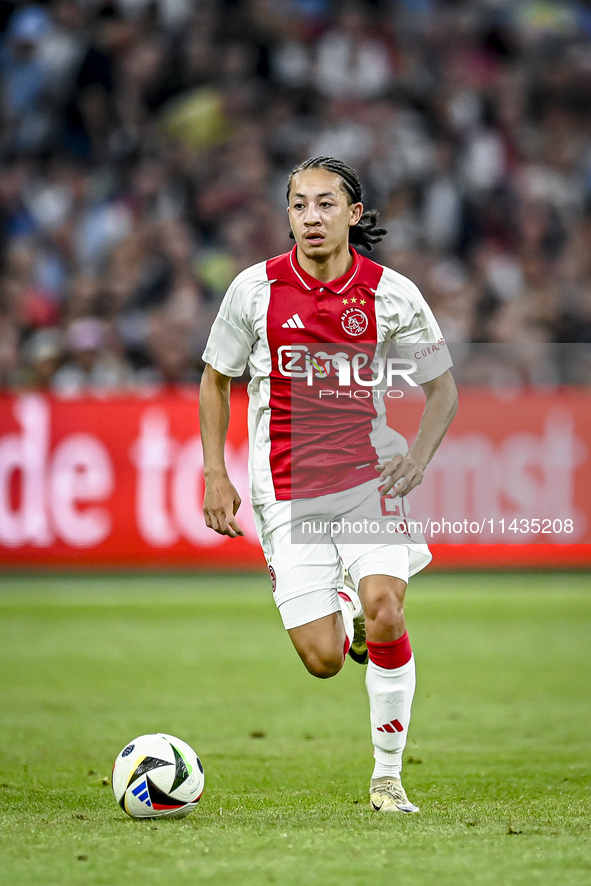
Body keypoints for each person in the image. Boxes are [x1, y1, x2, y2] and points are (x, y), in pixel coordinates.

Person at [200, 156, 457, 812]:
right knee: (322, 658)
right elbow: (215, 380)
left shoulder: (390, 293)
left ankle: (387, 778)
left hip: (368, 480)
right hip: (285, 493)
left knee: (387, 607)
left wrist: (418, 460)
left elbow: (441, 388)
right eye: (298, 206)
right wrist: (215, 474)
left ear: (353, 214)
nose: (310, 217)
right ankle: (346, 613)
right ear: (287, 217)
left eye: (323, 204)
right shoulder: (253, 292)